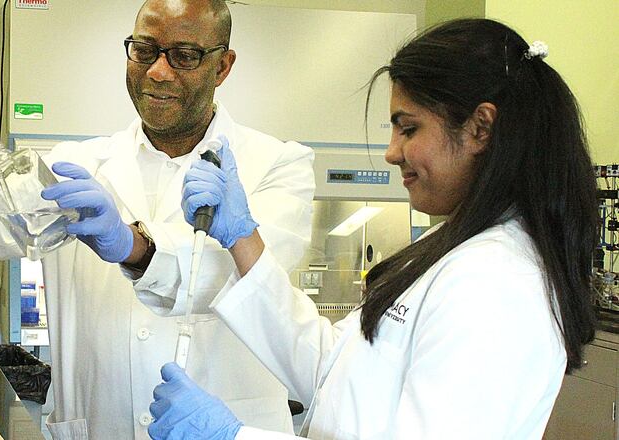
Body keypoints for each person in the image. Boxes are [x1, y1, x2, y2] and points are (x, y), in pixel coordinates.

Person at [149, 18, 599, 439]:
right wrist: (241, 238)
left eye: (409, 129)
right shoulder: (454, 249)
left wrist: (232, 436)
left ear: (480, 128)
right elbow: (331, 368)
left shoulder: (497, 283)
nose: (391, 152)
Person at [0, 1, 315, 439]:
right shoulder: (77, 165)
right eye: (144, 50)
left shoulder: (278, 165)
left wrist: (136, 248)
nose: (158, 72)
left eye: (184, 56)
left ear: (222, 66)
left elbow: (250, 279)